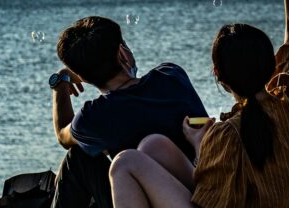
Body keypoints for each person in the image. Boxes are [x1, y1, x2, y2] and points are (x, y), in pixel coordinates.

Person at [108, 0, 289, 208]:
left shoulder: (226, 135)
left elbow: (208, 204)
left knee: (125, 163)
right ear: (273, 66)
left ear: (219, 76)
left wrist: (200, 145)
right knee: (152, 146)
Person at [49, 16, 208, 208]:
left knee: (78, 156)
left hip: (144, 197)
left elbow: (62, 135)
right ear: (123, 52)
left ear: (81, 76)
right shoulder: (172, 75)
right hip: (201, 188)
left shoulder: (95, 117)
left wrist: (60, 84)